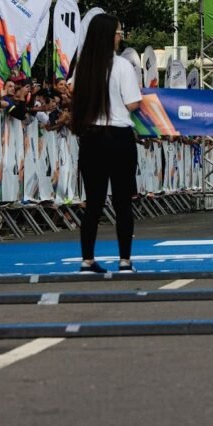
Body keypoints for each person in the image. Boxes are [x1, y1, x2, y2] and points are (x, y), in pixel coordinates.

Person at [69, 14, 142, 274]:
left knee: (94, 202)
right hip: (119, 136)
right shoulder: (121, 66)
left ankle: (87, 260)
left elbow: (76, 99)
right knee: (123, 201)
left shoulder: (83, 67)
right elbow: (133, 102)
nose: (121, 36)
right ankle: (124, 261)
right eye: (119, 32)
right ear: (109, 35)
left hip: (91, 138)